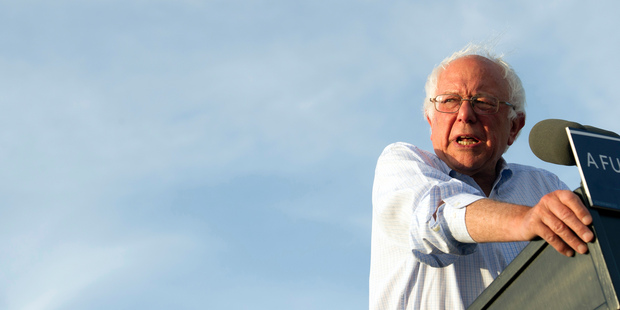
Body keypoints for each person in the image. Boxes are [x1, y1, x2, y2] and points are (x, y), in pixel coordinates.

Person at [369, 44, 594, 310]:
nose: (465, 115)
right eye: (449, 101)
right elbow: (434, 219)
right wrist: (524, 220)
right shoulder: (402, 164)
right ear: (431, 122)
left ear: (514, 126)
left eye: (484, 102)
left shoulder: (545, 187)